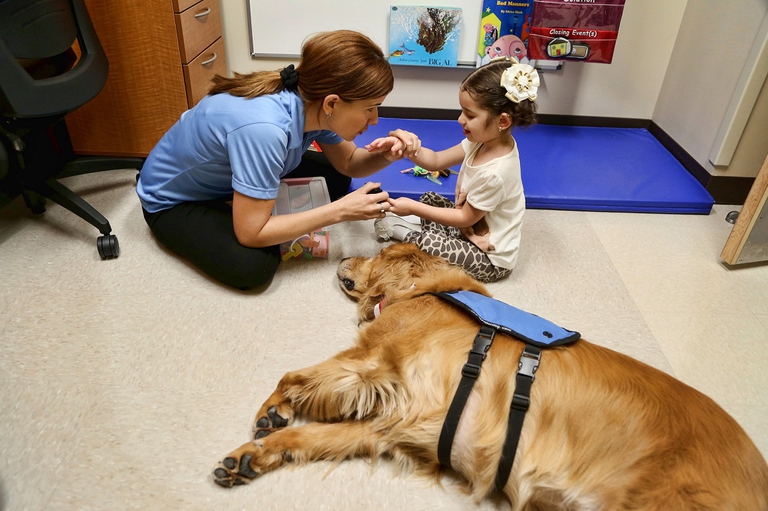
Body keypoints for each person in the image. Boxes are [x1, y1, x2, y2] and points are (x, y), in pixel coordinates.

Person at [136, 30, 420, 290]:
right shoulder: (266, 130)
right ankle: (238, 205)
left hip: (222, 174)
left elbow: (349, 163)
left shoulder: (311, 100)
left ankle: (245, 200)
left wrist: (388, 155)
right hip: (170, 201)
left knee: (336, 178)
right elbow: (250, 234)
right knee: (253, 267)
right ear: (332, 104)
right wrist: (340, 211)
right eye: (369, 108)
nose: (374, 120)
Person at [366, 57, 538, 283]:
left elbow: (465, 218)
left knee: (427, 242)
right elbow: (437, 160)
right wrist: (408, 149)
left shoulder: (495, 173)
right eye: (462, 111)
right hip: (467, 230)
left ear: (503, 121)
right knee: (429, 199)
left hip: (489, 259)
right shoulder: (481, 141)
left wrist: (412, 208)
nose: (460, 120)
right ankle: (421, 227)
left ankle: (402, 231)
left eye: (470, 114)